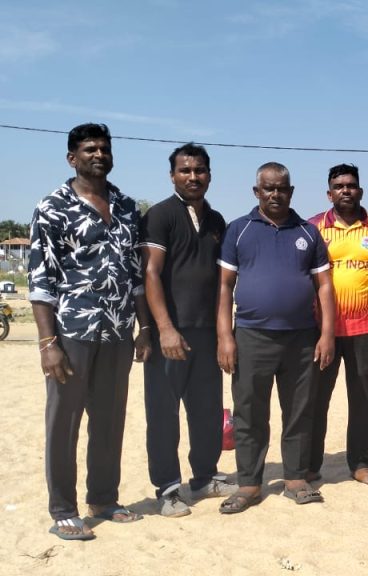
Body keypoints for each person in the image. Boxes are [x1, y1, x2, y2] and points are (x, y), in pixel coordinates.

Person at [29, 123, 152, 540]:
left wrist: (144, 327)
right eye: (89, 149)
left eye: (104, 148)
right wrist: (48, 343)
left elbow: (135, 275)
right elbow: (41, 281)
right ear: (72, 158)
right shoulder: (52, 207)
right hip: (72, 332)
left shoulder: (126, 206)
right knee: (64, 422)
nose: (99, 154)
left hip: (117, 332)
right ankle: (63, 509)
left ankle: (103, 498)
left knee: (109, 420)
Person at [215, 162, 335, 514]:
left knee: (299, 410)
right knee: (250, 411)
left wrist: (327, 334)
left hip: (301, 338)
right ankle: (249, 483)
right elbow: (224, 286)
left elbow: (324, 286)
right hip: (251, 335)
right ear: (257, 192)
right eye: (268, 188)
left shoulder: (308, 232)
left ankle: (296, 478)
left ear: (291, 192)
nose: (275, 194)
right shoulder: (239, 230)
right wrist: (225, 336)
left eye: (282, 188)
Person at [140, 143, 237, 518]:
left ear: (209, 175)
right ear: (172, 176)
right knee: (163, 415)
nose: (193, 177)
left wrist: (223, 334)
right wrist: (164, 328)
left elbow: (223, 282)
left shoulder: (216, 221)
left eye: (199, 170)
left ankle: (204, 477)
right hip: (171, 335)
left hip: (206, 333)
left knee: (207, 411)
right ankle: (167, 488)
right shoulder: (159, 215)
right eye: (185, 170)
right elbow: (150, 273)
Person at [308, 163, 368, 486]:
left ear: (360, 191)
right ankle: (310, 464)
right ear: (329, 194)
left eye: (351, 185)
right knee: (316, 399)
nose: (346, 190)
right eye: (339, 186)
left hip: (366, 329)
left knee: (363, 400)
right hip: (323, 331)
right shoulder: (313, 227)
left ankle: (359, 463)